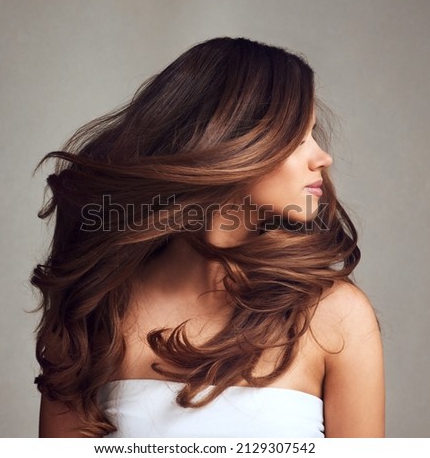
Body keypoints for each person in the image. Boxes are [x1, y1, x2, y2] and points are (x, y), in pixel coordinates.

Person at [31, 37, 385, 438]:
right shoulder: (98, 308)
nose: (323, 157)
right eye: (298, 138)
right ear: (228, 141)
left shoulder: (335, 316)